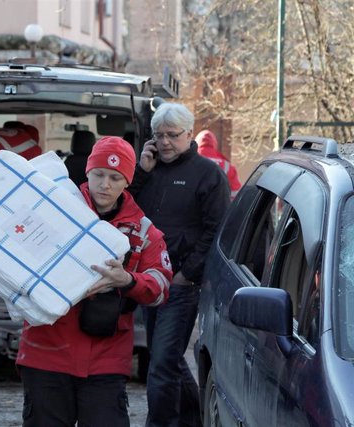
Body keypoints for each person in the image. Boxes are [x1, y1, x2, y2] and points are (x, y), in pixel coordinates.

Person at [0, 136, 173, 427]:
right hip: (45, 353)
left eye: (115, 177)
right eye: (99, 174)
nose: (105, 184)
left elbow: (161, 289)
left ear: (127, 181)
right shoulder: (48, 209)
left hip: (105, 360)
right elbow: (8, 253)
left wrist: (127, 280)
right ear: (87, 172)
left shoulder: (143, 232)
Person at [128, 103, 229, 427]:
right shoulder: (149, 168)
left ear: (189, 134)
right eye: (159, 135)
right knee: (165, 357)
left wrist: (188, 274)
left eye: (172, 135)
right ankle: (192, 418)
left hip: (181, 284)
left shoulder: (208, 174)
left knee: (161, 364)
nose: (166, 142)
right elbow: (123, 205)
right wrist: (142, 172)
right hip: (147, 281)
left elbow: (217, 229)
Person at [195, 129, 242, 200]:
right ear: (214, 144)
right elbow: (236, 193)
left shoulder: (190, 162)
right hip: (219, 207)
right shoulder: (227, 166)